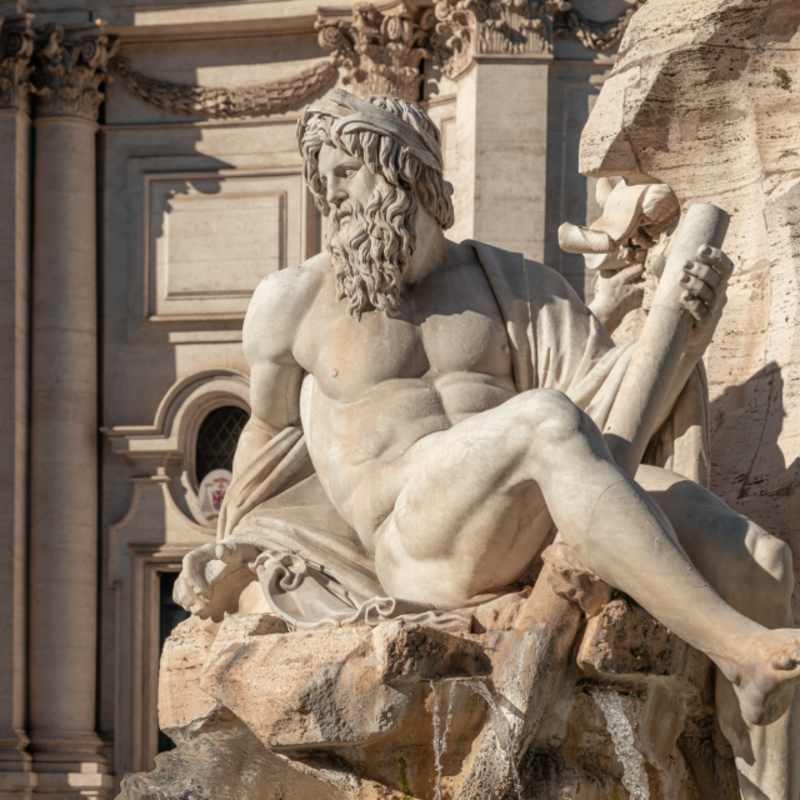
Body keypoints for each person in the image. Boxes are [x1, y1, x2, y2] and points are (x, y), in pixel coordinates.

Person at [175, 90, 799, 797]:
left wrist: (684, 326)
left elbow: (616, 419)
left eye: (346, 171)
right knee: (541, 422)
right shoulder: (294, 301)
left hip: (536, 502)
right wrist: (233, 550)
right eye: (323, 179)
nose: (332, 197)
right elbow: (269, 436)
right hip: (415, 542)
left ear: (402, 168)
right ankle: (737, 648)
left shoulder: (517, 286)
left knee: (763, 561)